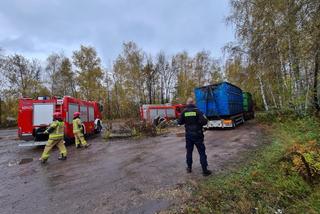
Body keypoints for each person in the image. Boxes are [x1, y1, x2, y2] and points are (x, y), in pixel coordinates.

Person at [178, 97, 212, 176]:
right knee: (202, 152)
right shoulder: (198, 111)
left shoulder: (184, 112)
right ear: (193, 103)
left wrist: (185, 121)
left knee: (189, 152)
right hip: (198, 135)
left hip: (189, 135)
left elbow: (179, 122)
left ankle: (189, 168)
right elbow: (204, 122)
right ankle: (205, 170)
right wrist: (199, 122)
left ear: (187, 103)